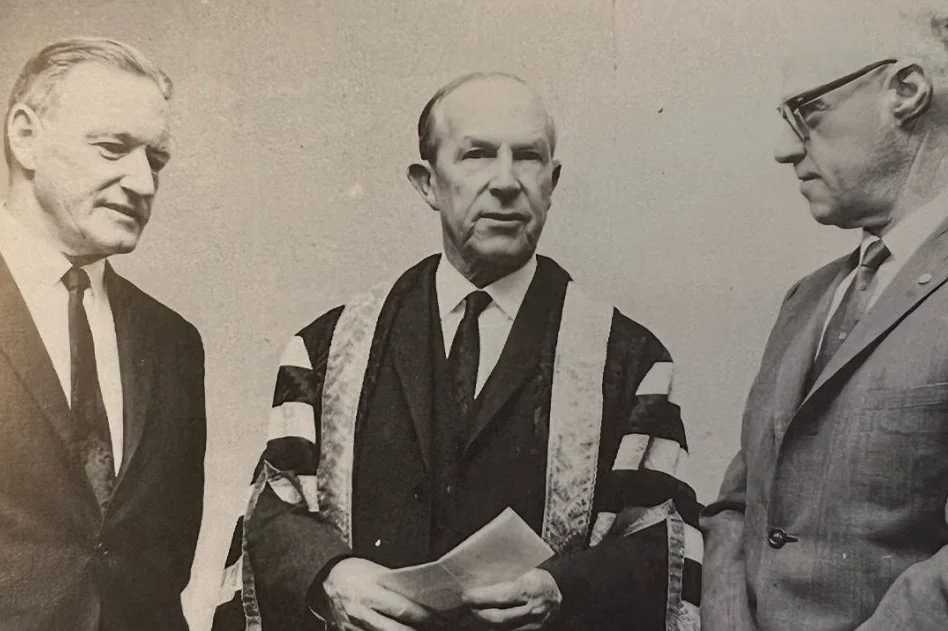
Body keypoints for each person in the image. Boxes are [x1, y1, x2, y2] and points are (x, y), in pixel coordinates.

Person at [212, 72, 701, 630]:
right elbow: (274, 515)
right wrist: (331, 575)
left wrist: (564, 590)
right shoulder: (326, 350)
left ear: (553, 181)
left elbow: (662, 545)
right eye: (476, 155)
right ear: (427, 183)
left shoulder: (629, 361)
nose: (506, 182)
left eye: (529, 158)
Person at [701, 4, 948, 630]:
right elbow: (737, 505)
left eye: (807, 113)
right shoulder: (806, 299)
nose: (784, 149)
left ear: (907, 91)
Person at [0, 37, 206, 630]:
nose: (143, 182)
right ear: (25, 136)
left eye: (155, 160)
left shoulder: (173, 343)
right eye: (113, 148)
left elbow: (164, 561)